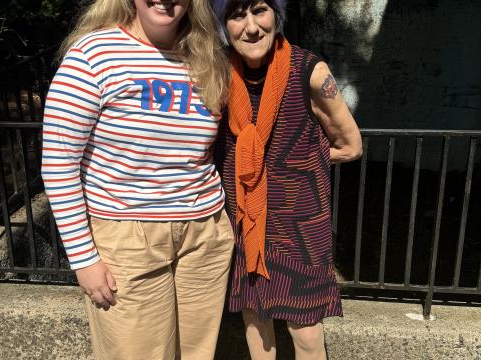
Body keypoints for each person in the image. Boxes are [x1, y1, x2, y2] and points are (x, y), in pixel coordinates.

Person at [40, 0, 233, 359]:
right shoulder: (93, 55)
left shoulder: (207, 56)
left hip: (204, 233)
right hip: (127, 237)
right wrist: (83, 258)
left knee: (197, 354)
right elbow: (58, 163)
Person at [212, 0, 363, 359]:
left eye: (260, 10)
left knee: (307, 336)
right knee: (255, 322)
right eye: (237, 15)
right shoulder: (217, 71)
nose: (251, 27)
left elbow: (351, 146)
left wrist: (294, 169)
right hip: (246, 225)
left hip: (299, 233)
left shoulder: (309, 71)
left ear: (276, 15)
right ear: (224, 25)